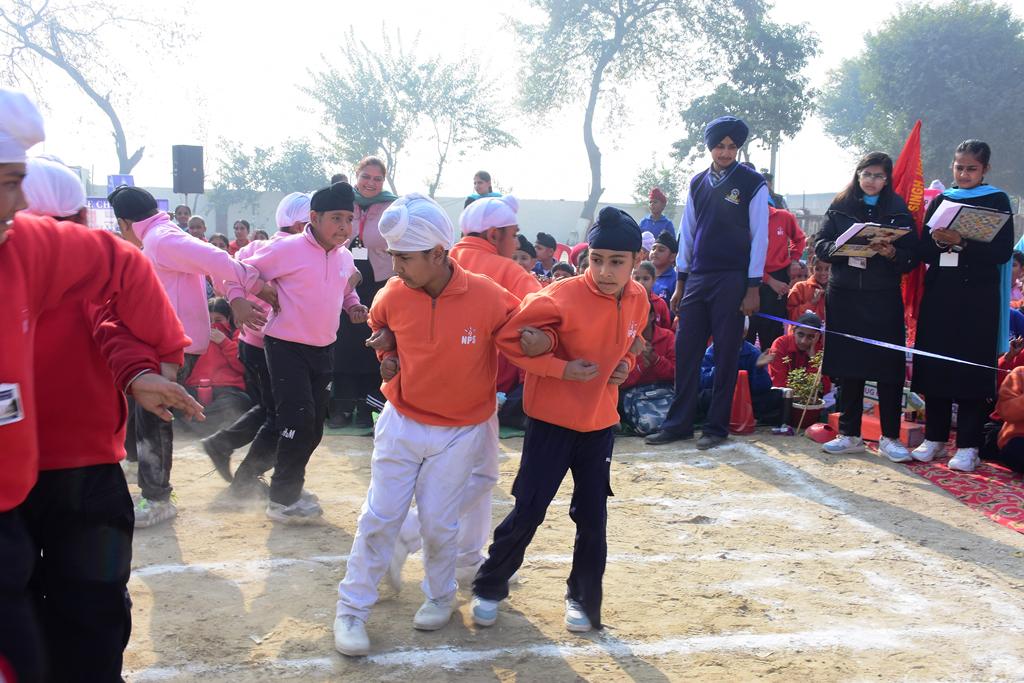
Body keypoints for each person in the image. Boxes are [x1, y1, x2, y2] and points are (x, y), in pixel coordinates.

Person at [0, 87, 201, 682]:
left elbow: (110, 319)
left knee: (27, 618)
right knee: (88, 617)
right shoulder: (48, 258)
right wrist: (152, 364)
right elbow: (113, 320)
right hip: (80, 474)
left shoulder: (29, 253)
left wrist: (142, 368)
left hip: (27, 485)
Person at [333, 194, 519, 656]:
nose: (394, 265)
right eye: (392, 254)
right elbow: (381, 327)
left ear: (439, 254)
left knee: (440, 522)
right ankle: (351, 610)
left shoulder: (491, 297)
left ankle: (439, 596)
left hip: (461, 431)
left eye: (404, 257)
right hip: (401, 421)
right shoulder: (393, 293)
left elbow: (528, 329)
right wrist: (387, 353)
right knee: (379, 517)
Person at [471, 206, 649, 634]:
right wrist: (559, 368)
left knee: (592, 516)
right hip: (551, 422)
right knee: (529, 508)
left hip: (600, 425)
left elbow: (632, 342)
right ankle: (490, 585)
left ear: (636, 261)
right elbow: (508, 338)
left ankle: (582, 597)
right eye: (597, 259)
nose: (604, 271)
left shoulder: (639, 299)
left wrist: (625, 362)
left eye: (617, 262)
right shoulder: (560, 295)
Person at [388, 194, 540, 588]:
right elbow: (542, 313)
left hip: (419, 398)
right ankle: (407, 534)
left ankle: (466, 559)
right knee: (483, 476)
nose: (517, 243)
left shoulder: (439, 256)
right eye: (513, 235)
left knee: (474, 478)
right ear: (495, 233)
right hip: (474, 398)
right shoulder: (504, 272)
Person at [107, 185, 269, 527]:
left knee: (154, 416)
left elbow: (216, 257)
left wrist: (246, 287)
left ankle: (157, 497)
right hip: (158, 344)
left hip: (171, 347)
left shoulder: (161, 239)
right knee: (142, 410)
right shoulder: (158, 237)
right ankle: (148, 483)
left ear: (123, 222)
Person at [226, 182, 365, 523]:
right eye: (336, 218)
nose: (344, 226)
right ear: (314, 218)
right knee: (296, 421)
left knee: (315, 426)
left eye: (349, 218)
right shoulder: (287, 249)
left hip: (324, 348)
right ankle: (283, 499)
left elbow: (344, 288)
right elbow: (240, 272)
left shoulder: (344, 254)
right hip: (285, 346)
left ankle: (288, 488)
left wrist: (354, 305)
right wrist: (243, 298)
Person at [645, 116, 769, 449]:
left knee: (727, 352)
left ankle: (716, 427)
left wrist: (753, 286)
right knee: (686, 351)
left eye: (732, 146)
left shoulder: (752, 182)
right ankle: (679, 423)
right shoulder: (697, 182)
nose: (726, 152)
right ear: (710, 147)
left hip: (733, 277)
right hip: (697, 277)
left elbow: (760, 237)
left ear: (738, 148)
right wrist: (681, 282)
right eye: (719, 146)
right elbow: (688, 233)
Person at [911, 140, 1014, 471]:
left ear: (985, 169)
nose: (964, 174)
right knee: (936, 365)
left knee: (970, 371)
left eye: (971, 168)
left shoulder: (996, 200)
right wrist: (940, 241)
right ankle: (935, 438)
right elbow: (925, 250)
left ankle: (968, 446)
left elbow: (1000, 253)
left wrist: (963, 242)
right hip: (941, 295)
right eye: (959, 167)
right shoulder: (942, 200)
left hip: (978, 300)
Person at [811, 152, 918, 462]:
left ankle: (889, 437)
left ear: (888, 180)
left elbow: (911, 258)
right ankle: (850, 434)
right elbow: (821, 244)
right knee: (849, 366)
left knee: (889, 368)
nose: (872, 181)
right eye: (867, 174)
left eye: (879, 176)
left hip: (882, 296)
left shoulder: (898, 211)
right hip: (844, 295)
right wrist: (839, 249)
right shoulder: (840, 206)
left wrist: (891, 252)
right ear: (858, 175)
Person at [201, 192, 310, 495]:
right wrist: (239, 300)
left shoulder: (264, 247)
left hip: (259, 344)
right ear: (302, 223)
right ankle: (245, 479)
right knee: (281, 416)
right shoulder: (277, 249)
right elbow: (222, 272)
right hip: (267, 346)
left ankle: (222, 445)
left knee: (271, 409)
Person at [331, 157, 397, 427]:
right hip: (343, 281)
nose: (371, 183)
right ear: (356, 176)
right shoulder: (344, 202)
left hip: (379, 283)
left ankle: (369, 410)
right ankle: (342, 408)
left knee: (374, 344)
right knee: (343, 344)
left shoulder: (393, 206)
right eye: (366, 177)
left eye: (377, 178)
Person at [183, 298, 251, 435]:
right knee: (178, 400)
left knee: (240, 402)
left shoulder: (237, 333)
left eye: (219, 320)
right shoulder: (196, 333)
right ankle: (205, 423)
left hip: (227, 390)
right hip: (195, 388)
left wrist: (224, 342)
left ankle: (194, 423)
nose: (214, 325)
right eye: (210, 321)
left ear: (229, 319)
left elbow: (243, 366)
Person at [746, 204, 806, 349]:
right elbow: (742, 258)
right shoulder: (742, 217)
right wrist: (769, 281)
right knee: (746, 335)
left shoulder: (783, 216)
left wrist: (794, 260)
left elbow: (799, 239)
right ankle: (744, 371)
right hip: (748, 279)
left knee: (772, 337)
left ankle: (772, 371)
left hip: (778, 281)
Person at [619, 302, 676, 435]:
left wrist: (655, 360)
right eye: (634, 316)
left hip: (664, 389)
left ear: (652, 316)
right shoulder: (624, 340)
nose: (637, 319)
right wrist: (640, 367)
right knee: (648, 423)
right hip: (633, 392)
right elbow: (620, 382)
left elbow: (676, 373)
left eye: (642, 315)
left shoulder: (668, 336)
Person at [700, 336, 779, 422]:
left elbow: (763, 388)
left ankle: (743, 415)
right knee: (704, 397)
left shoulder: (752, 352)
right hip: (722, 396)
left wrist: (759, 369)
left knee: (775, 396)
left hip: (746, 399)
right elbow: (703, 382)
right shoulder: (712, 351)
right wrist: (723, 365)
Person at [765, 312, 830, 394]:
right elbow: (779, 384)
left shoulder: (818, 348)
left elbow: (825, 388)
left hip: (809, 402)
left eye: (810, 337)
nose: (803, 341)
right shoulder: (780, 344)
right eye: (800, 334)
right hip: (784, 400)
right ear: (794, 330)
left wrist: (813, 358)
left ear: (817, 337)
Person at [787, 255, 829, 322]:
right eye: (818, 269)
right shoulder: (800, 287)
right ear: (811, 269)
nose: (823, 273)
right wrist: (812, 303)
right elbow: (791, 316)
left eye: (827, 269)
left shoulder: (837, 290)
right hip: (803, 331)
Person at [633, 260, 672, 330]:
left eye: (646, 279)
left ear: (654, 280)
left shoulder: (661, 304)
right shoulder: (626, 301)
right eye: (637, 279)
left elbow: (666, 330)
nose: (641, 283)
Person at [649, 230, 677, 304]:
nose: (655, 252)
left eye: (661, 250)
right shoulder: (643, 275)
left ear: (672, 257)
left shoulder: (676, 281)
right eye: (653, 249)